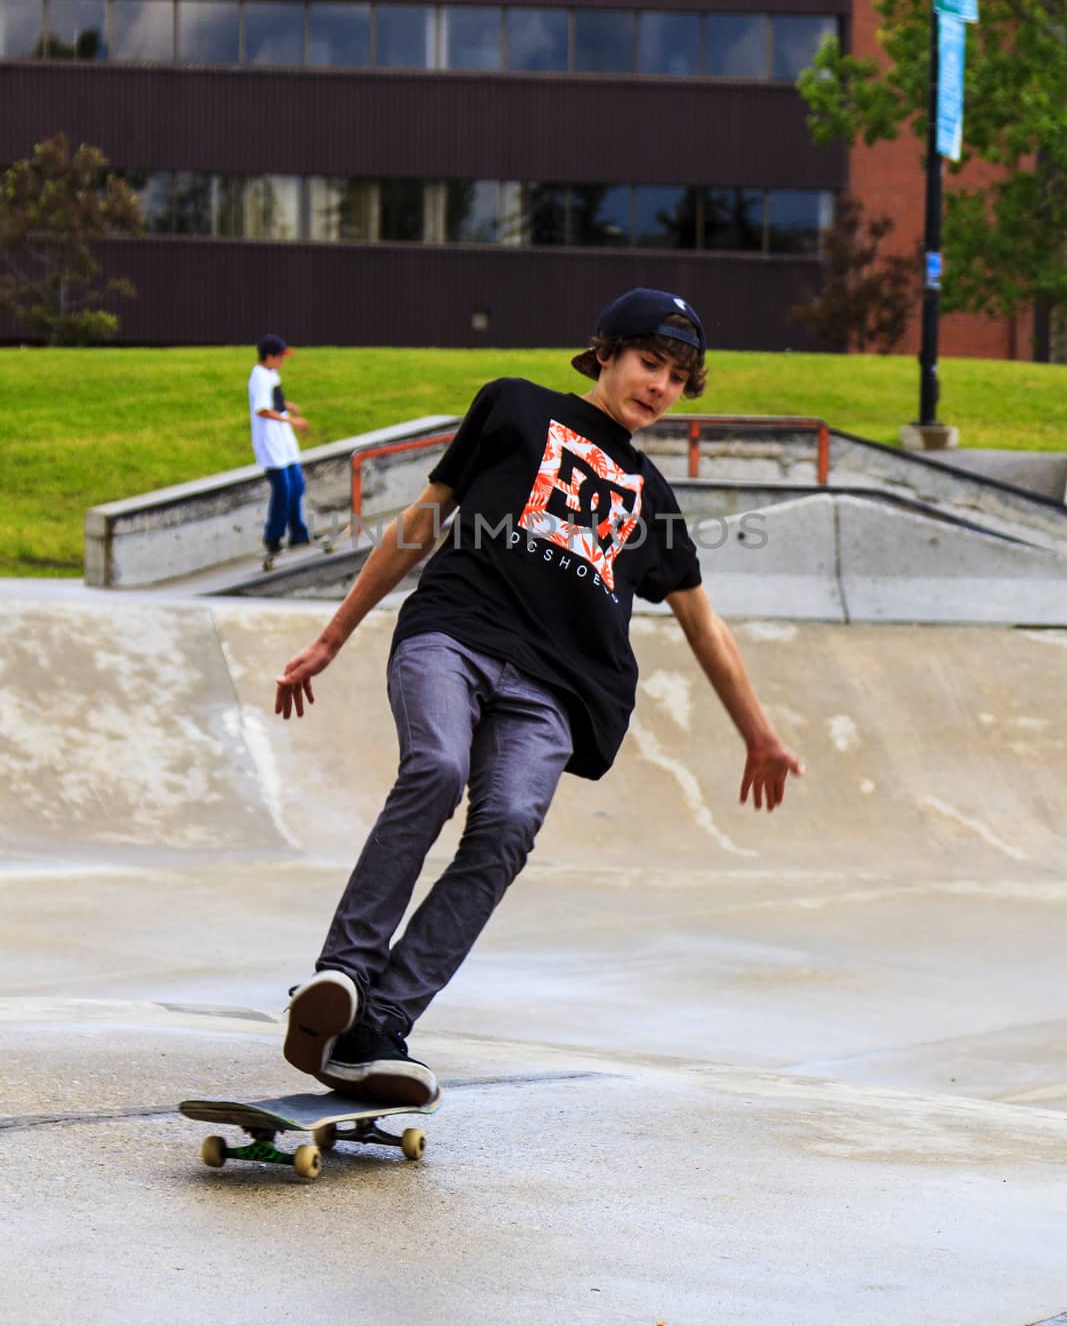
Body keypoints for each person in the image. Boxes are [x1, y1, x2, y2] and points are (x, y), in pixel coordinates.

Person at [275, 288, 803, 1106]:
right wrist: (331, 637)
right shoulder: (513, 405)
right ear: (605, 355)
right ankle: (343, 974)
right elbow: (420, 522)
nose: (658, 386)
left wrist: (758, 734)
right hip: (453, 633)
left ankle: (380, 1023)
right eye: (647, 363)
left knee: (508, 827)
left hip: (556, 689)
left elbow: (705, 627)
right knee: (437, 769)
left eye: (675, 377)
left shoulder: (652, 499)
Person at [249, 334, 311, 560]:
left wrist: (287, 405)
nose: (283, 362)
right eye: (281, 357)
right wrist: (292, 421)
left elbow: (272, 400)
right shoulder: (258, 376)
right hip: (271, 444)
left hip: (284, 443)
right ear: (270, 356)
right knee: (283, 491)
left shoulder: (271, 374)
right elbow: (262, 409)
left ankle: (298, 533)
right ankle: (273, 538)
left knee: (296, 485)